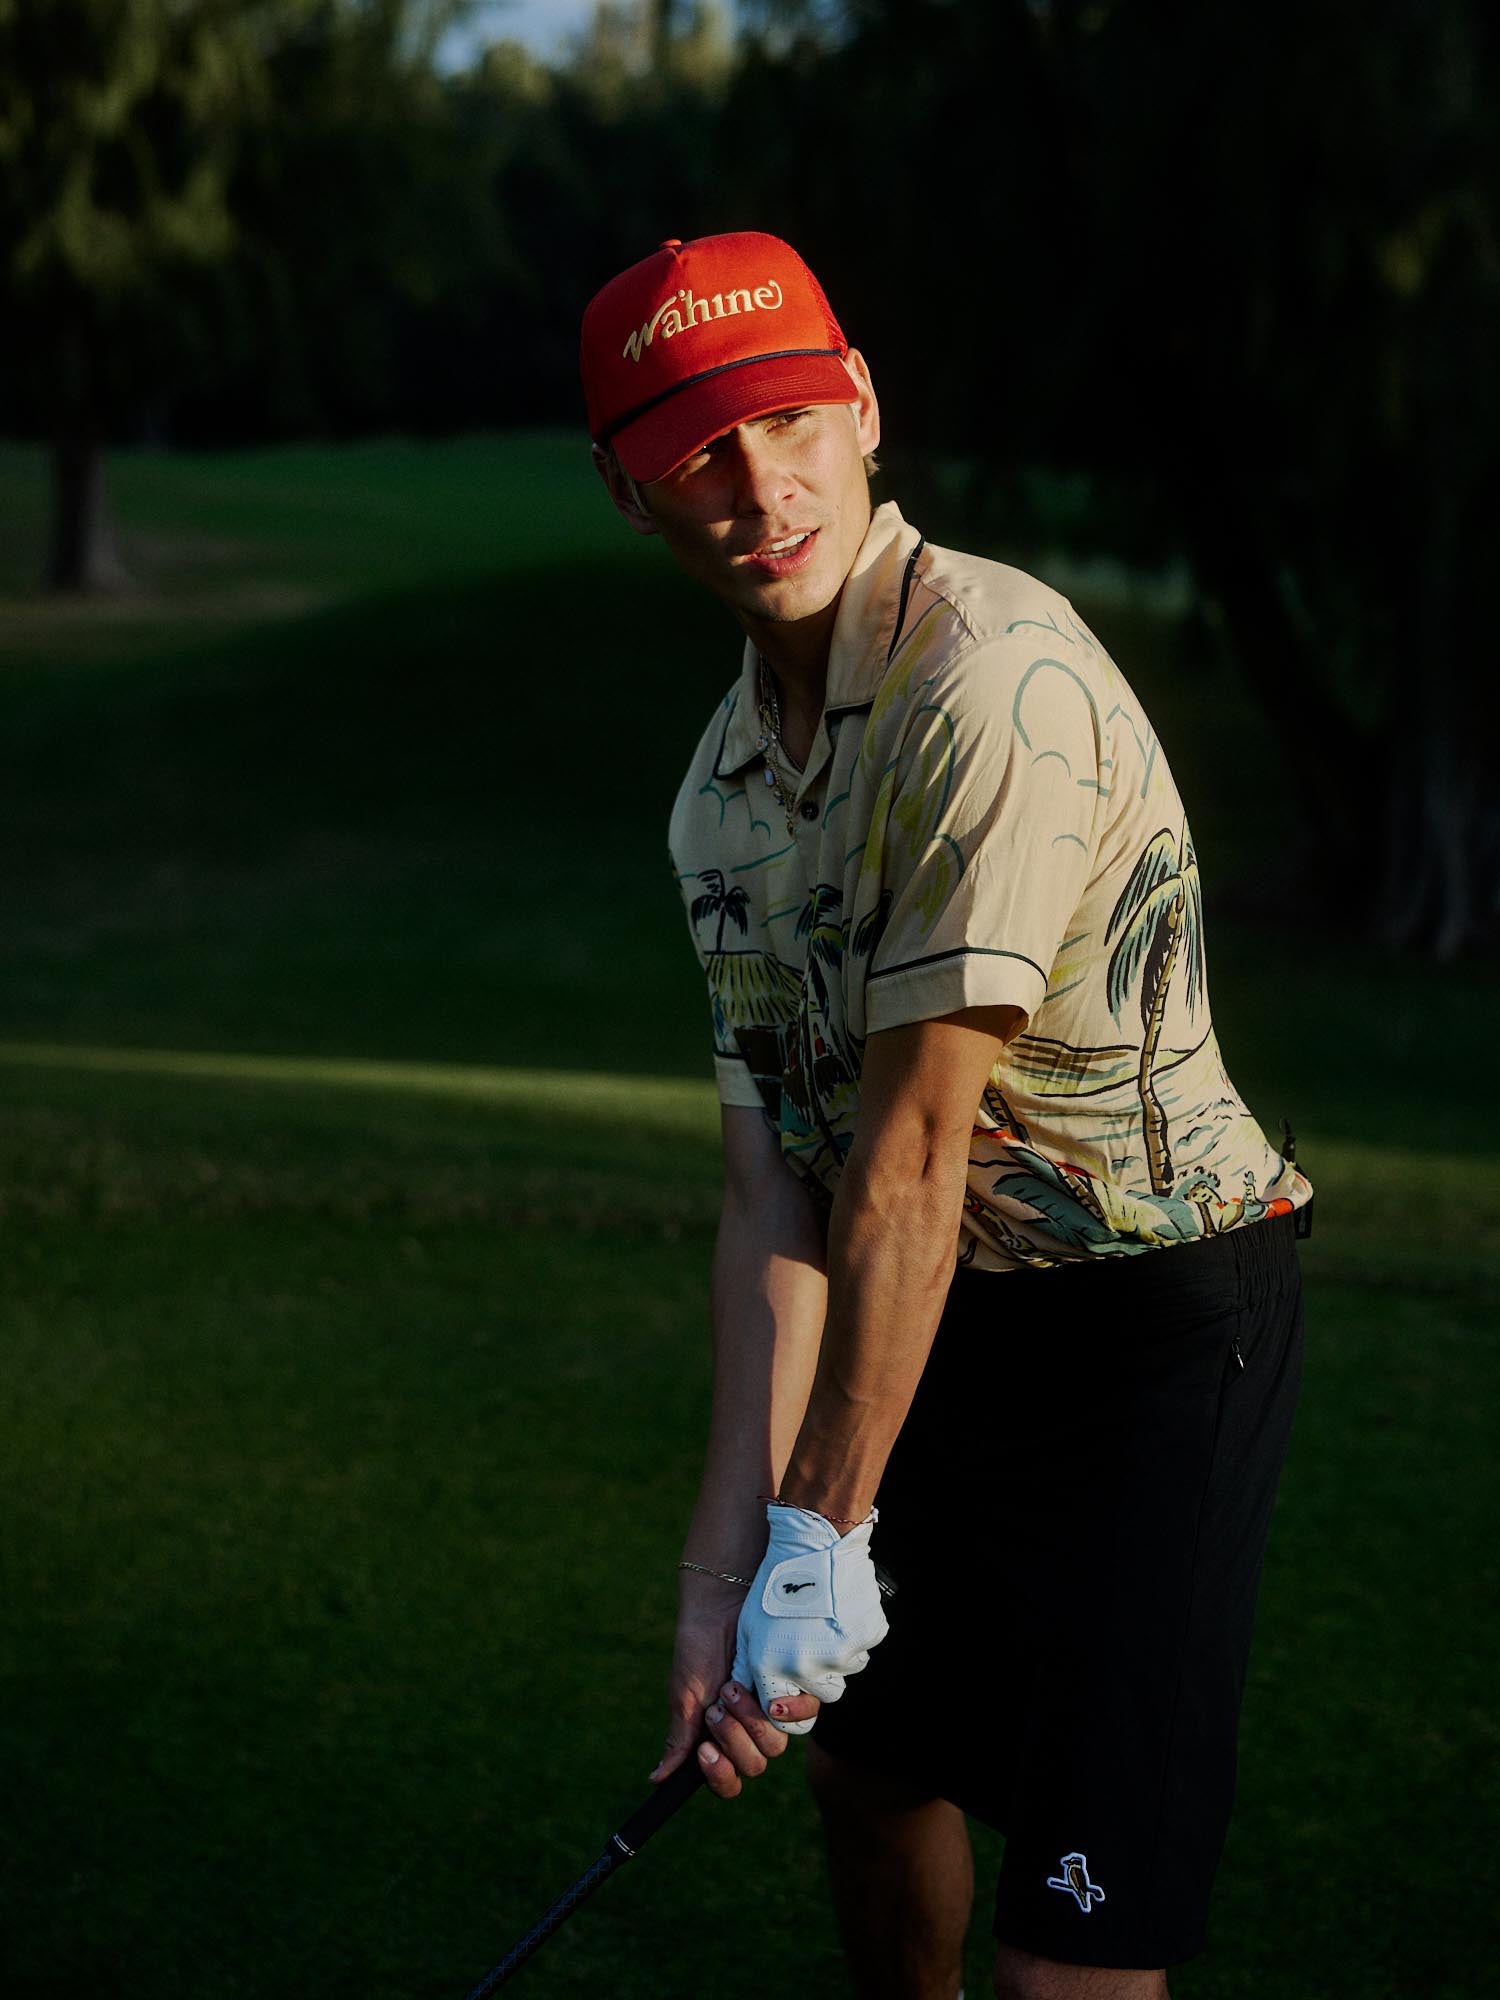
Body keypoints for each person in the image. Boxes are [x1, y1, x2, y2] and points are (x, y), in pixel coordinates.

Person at [580, 231, 1312, 2000]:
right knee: (873, 1775)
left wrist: (820, 1540)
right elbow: (778, 1187)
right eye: (697, 451)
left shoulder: (994, 680)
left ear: (864, 410)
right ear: (631, 494)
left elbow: (908, 1155)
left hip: (1157, 1318)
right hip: (946, 1310)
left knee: (1070, 1953)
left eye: (786, 421)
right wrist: (722, 1572)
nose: (758, 487)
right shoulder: (720, 799)